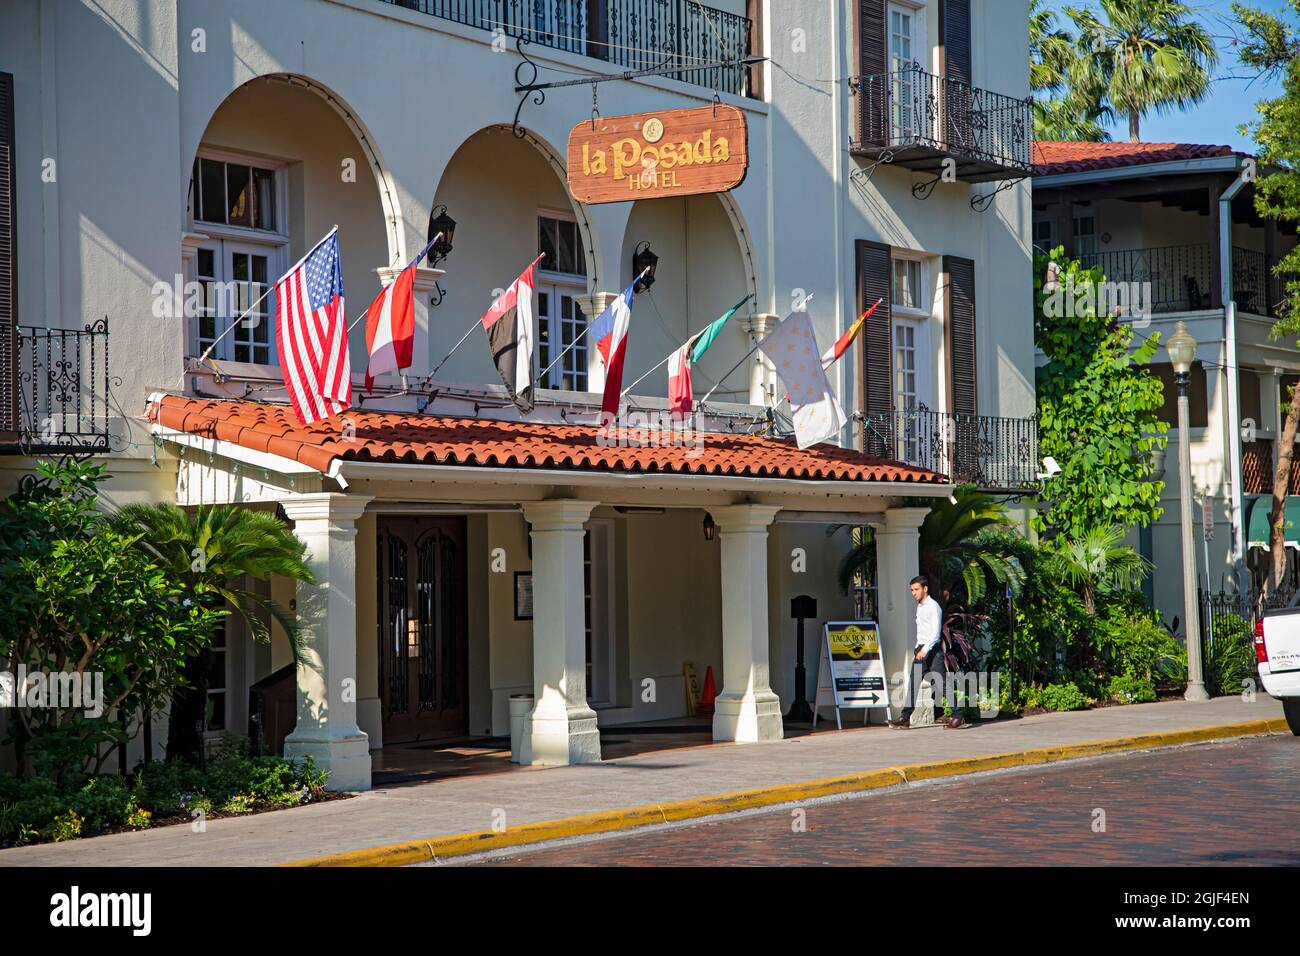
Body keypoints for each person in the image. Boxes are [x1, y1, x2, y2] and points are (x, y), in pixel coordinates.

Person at [887, 575, 966, 730]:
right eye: (912, 590)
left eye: (916, 589)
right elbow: (922, 631)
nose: (913, 593)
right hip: (921, 649)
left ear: (925, 589)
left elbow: (935, 633)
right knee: (913, 683)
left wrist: (924, 650)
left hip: (932, 651)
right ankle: (905, 717)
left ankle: (958, 715)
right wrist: (918, 648)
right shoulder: (920, 606)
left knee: (941, 683)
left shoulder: (933, 606)